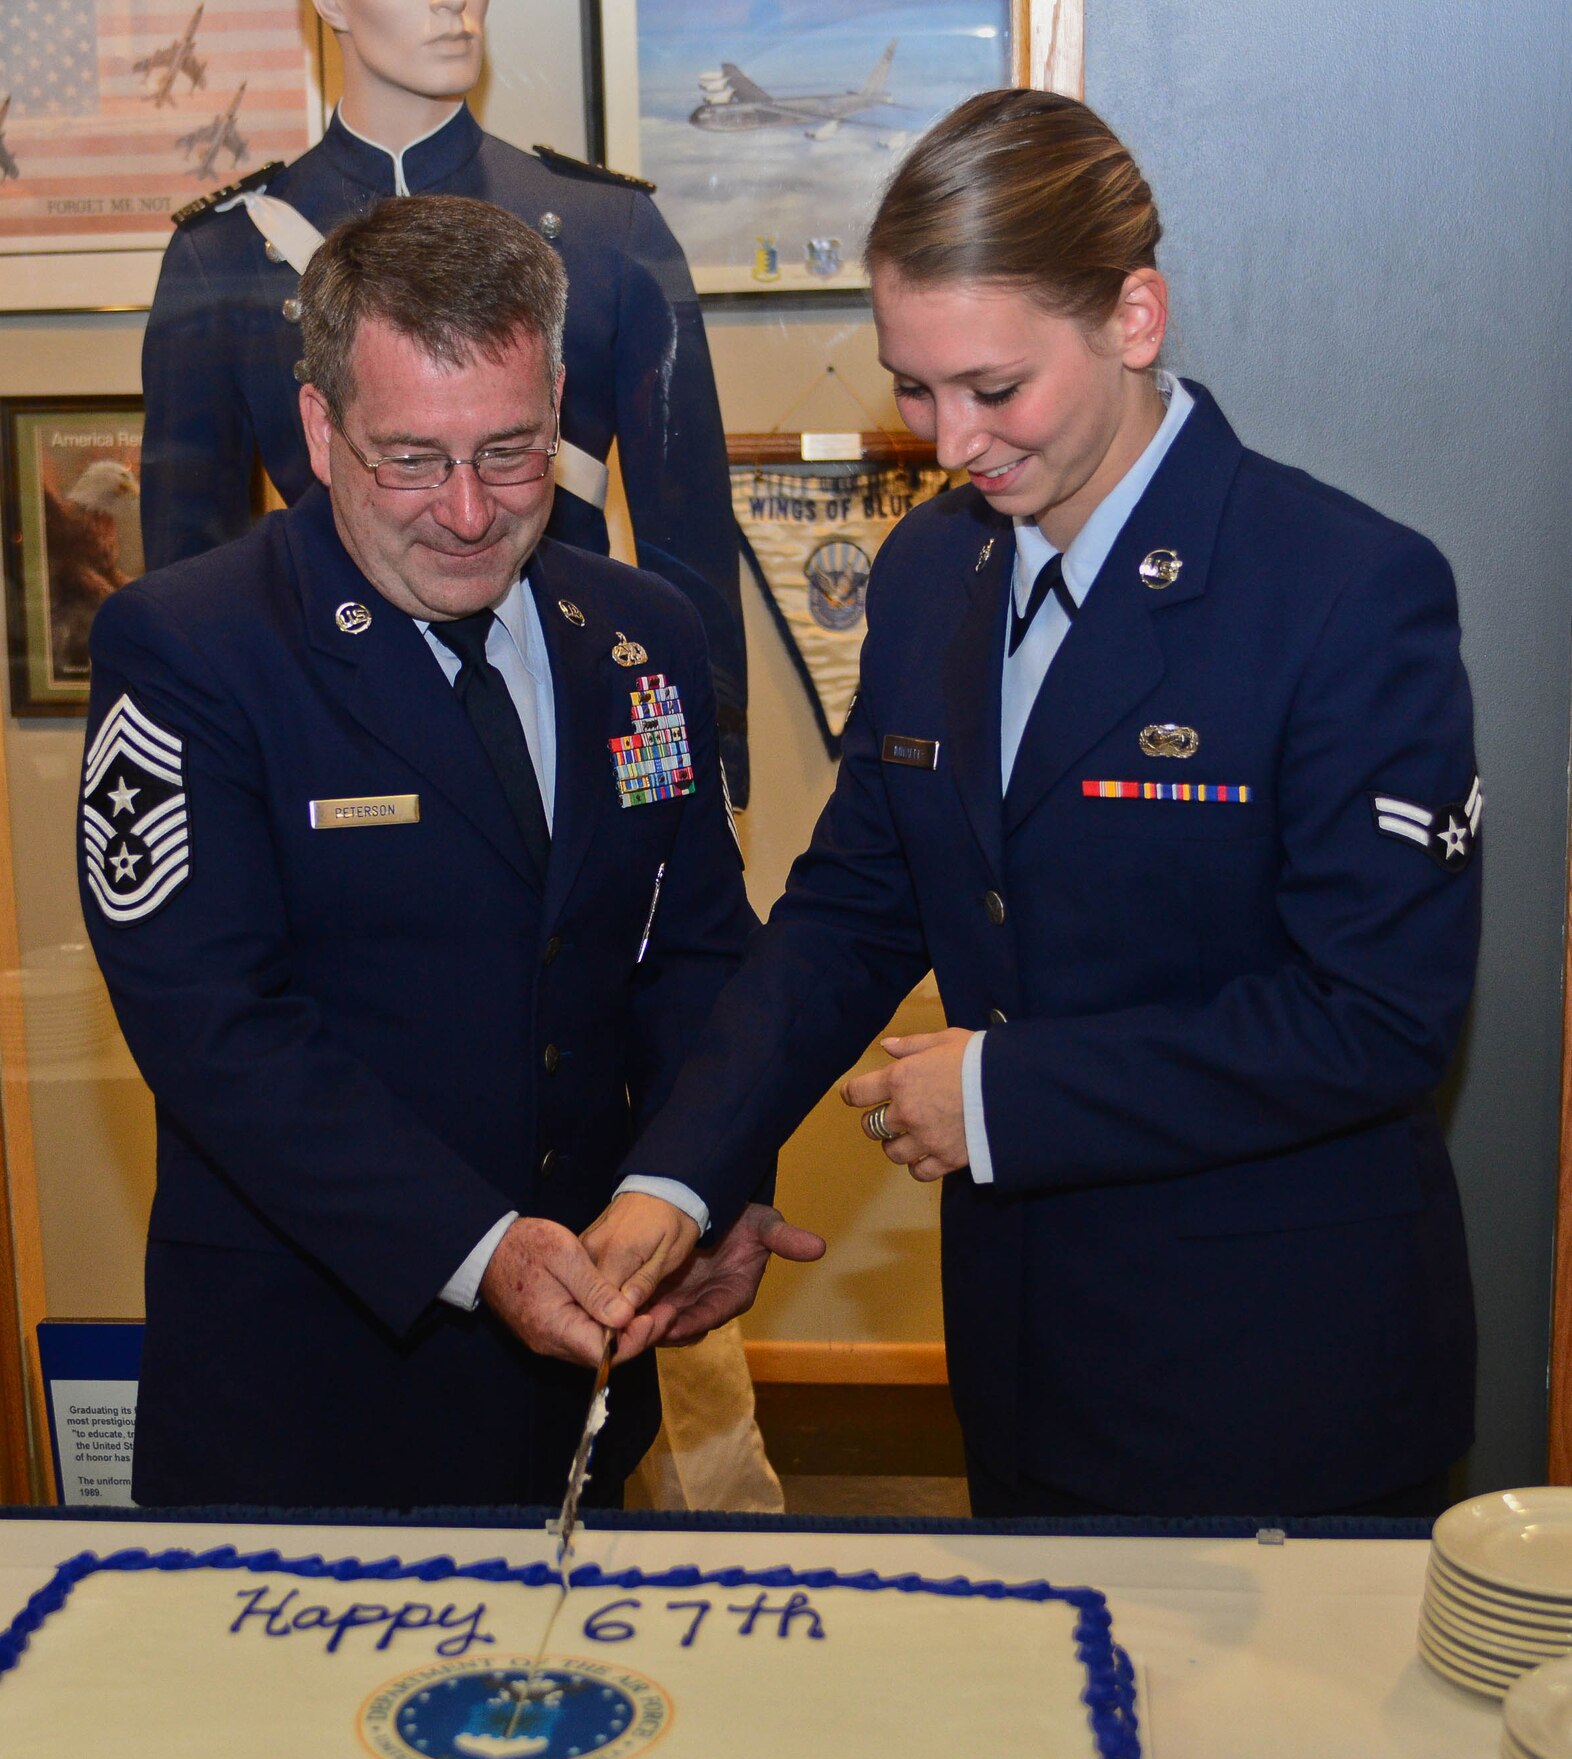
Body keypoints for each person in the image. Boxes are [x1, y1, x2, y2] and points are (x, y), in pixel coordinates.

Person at [582, 90, 1482, 1519]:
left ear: (1135, 317)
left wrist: (1001, 1094)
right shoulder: (936, 572)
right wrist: (679, 1179)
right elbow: (850, 912)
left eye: (995, 390)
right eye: (915, 387)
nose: (948, 441)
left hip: (1279, 1371)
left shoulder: (1342, 590)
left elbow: (1375, 1016)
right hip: (1021, 1362)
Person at [79, 194, 815, 1509]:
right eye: (411, 459)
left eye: (513, 452)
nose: (470, 514)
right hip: (308, 1393)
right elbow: (217, 1030)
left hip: (582, 1385)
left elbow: (693, 939)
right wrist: (483, 1253)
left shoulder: (641, 636)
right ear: (319, 430)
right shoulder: (191, 652)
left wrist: (709, 1178)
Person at [138, 0, 751, 799]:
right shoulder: (221, 259)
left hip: (572, 706)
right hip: (337, 727)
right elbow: (193, 574)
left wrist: (706, 790)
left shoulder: (612, 230)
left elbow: (688, 543)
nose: (454, 5)